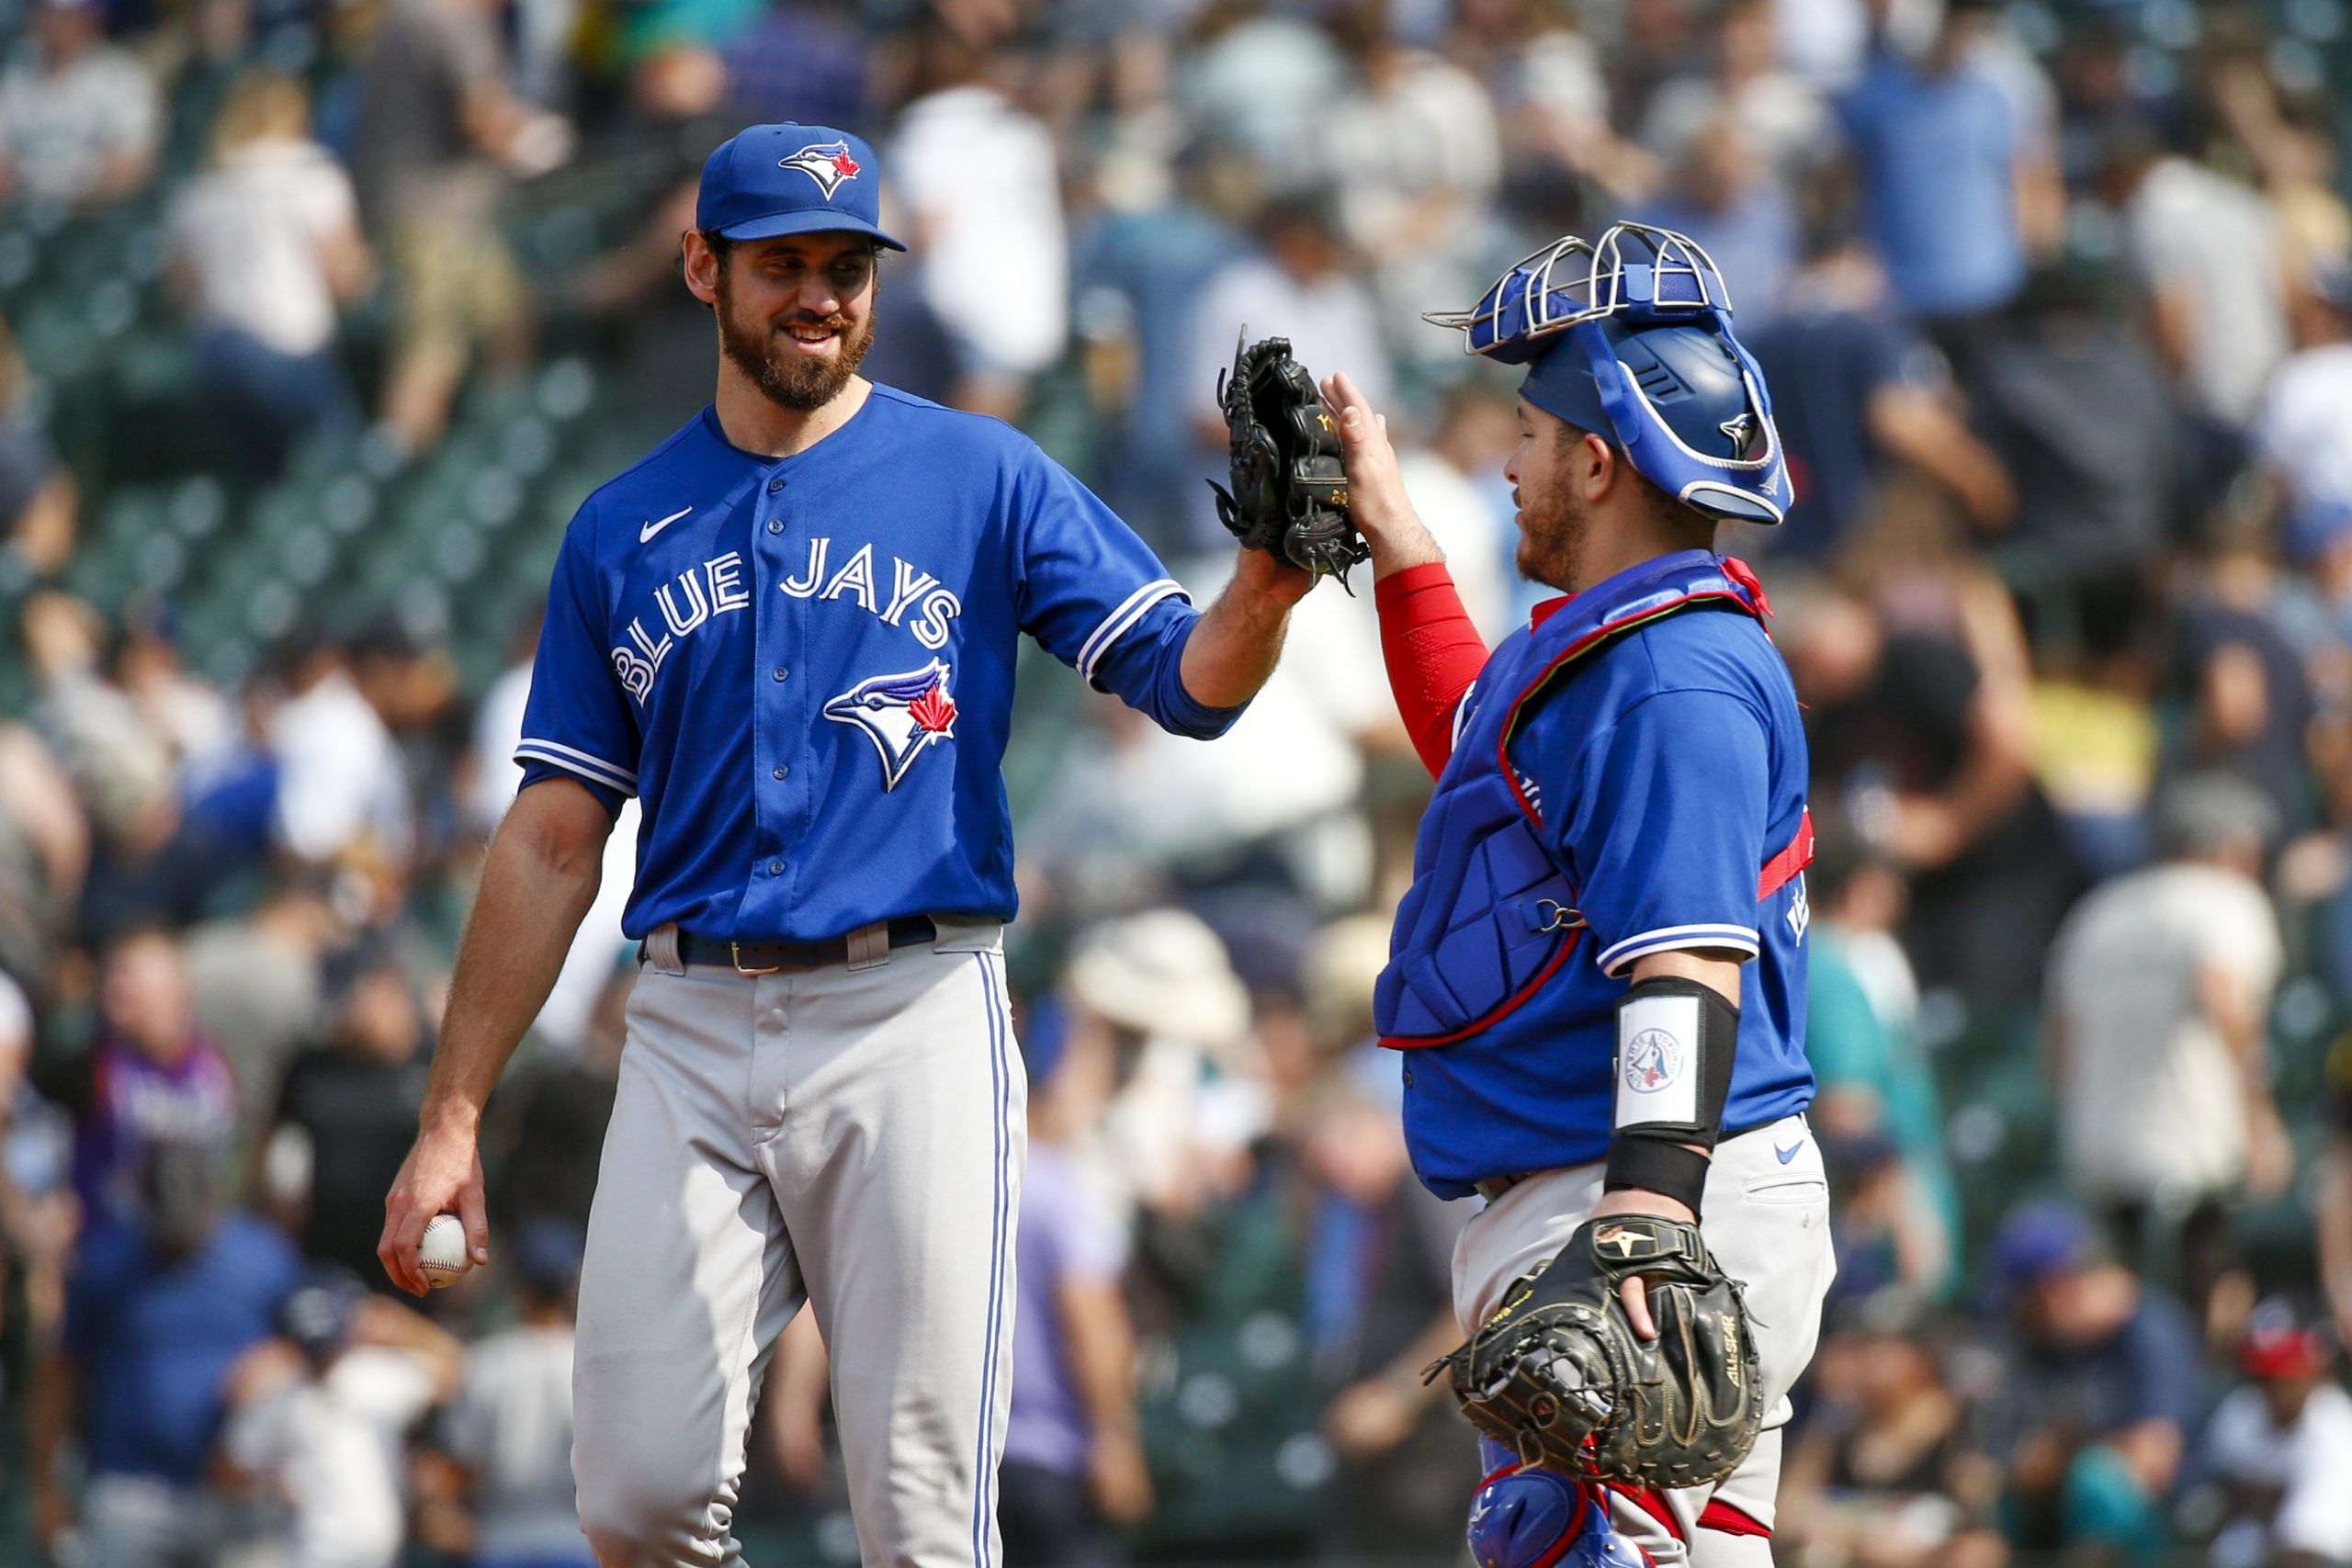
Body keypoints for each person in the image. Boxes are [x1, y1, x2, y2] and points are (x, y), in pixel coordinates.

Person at [376, 123, 1315, 1568]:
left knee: (926, 1514)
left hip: (911, 1009)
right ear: (704, 267)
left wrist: (1262, 586)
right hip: (687, 1016)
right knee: (633, 1496)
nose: (819, 293)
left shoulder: (980, 473)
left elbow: (1184, 685)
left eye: (845, 266)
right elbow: (554, 840)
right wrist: (452, 1115)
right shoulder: (620, 528)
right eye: (783, 264)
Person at [1322, 221, 1832, 1563]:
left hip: (1644, 1186)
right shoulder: (1614, 653)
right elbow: (1482, 774)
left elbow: (1686, 960)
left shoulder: (1674, 675)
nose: (1508, 460)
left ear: (1596, 462)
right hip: (1603, 1182)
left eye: (1532, 437)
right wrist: (1396, 536)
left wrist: (1651, 1212)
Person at [2043, 774, 2287, 1332]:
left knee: (2121, 1311)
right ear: (2228, 846)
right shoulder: (2227, 901)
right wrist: (2261, 1119)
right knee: (2209, 1308)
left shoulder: (2098, 910)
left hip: (2100, 1152)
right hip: (2192, 1151)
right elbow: (2220, 991)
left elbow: (2059, 1046)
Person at [2204, 1299, 2352, 1568]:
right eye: (2265, 1377)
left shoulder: (2336, 1431)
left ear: (2317, 1372)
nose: (2273, 1389)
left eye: (2286, 1376)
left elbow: (2306, 1552)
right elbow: (2209, 1514)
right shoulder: (2237, 1415)